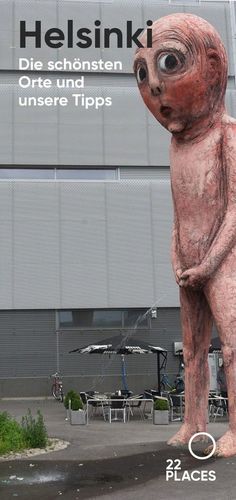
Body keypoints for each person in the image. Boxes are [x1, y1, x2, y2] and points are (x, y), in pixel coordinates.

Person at [134, 12, 236, 457]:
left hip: (224, 260)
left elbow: (235, 209)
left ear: (213, 67)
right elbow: (180, 213)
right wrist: (178, 257)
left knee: (232, 345)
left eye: (169, 63)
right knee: (192, 349)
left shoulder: (226, 135)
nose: (154, 85)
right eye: (142, 72)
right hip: (189, 264)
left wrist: (210, 262)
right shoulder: (177, 147)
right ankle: (193, 420)